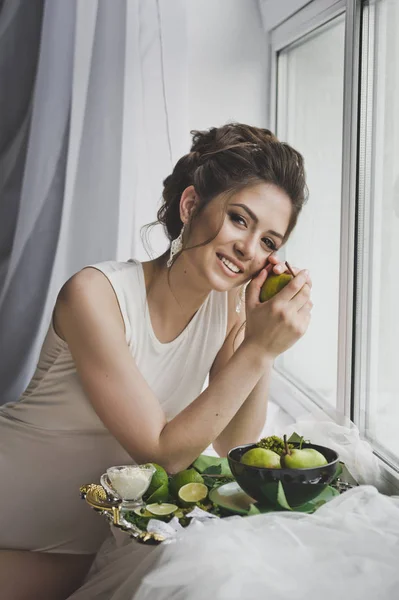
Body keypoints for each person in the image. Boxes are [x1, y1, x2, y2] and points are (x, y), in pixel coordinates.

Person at [0, 123, 312, 600]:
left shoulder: (229, 310)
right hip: (12, 515)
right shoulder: (95, 294)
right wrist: (259, 348)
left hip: (91, 543)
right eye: (239, 220)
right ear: (190, 206)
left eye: (270, 242)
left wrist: (259, 333)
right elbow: (162, 451)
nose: (249, 250)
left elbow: (236, 441)